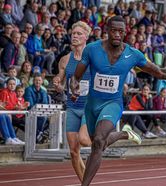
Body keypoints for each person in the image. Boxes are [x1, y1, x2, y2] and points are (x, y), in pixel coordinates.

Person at [71, 16, 166, 185]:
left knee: (99, 141)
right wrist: (74, 87)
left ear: (125, 32)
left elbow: (160, 72)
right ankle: (125, 133)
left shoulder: (133, 54)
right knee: (98, 143)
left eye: (121, 31)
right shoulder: (92, 49)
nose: (117, 34)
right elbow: (76, 76)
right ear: (107, 31)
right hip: (92, 104)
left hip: (113, 104)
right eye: (114, 30)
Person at [53, 21, 92, 183]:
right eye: (73, 33)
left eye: (78, 34)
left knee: (84, 140)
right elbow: (60, 83)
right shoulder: (65, 60)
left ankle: (109, 136)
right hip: (72, 107)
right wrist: (57, 83)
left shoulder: (93, 58)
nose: (75, 36)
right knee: (74, 152)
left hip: (89, 107)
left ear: (86, 37)